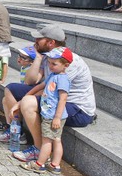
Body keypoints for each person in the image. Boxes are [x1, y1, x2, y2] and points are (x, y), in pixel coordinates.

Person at [9, 24, 96, 163]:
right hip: (54, 98)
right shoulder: (49, 57)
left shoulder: (68, 62)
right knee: (11, 89)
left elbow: (50, 91)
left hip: (78, 109)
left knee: (28, 103)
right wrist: (37, 58)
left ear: (51, 42)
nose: (35, 41)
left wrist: (22, 101)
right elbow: (31, 81)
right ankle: (15, 132)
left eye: (39, 39)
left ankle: (39, 150)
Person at [19, 47, 73, 175]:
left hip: (53, 115)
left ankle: (39, 164)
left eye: (54, 64)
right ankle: (55, 165)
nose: (50, 66)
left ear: (66, 65)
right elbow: (42, 86)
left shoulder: (63, 79)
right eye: (49, 62)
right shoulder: (54, 75)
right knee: (56, 139)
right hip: (50, 114)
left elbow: (63, 99)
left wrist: (57, 117)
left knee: (47, 140)